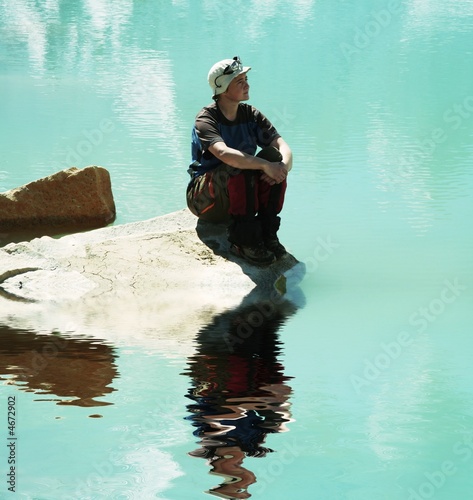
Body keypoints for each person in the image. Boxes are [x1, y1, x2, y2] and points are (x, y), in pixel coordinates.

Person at [186, 56, 293, 266]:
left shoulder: (251, 114)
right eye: (239, 81)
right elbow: (224, 154)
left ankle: (267, 234)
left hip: (239, 192)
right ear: (224, 89)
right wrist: (263, 166)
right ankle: (243, 241)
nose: (247, 85)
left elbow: (283, 146)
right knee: (241, 163)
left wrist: (282, 168)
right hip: (205, 200)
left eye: (246, 79)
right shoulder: (206, 119)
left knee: (273, 157)